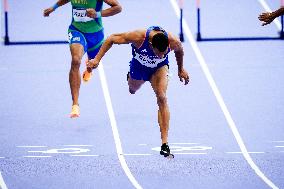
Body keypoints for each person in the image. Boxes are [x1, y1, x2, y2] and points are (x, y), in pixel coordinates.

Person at [86, 26, 190, 158]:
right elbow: (112, 38)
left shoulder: (173, 41)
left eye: (164, 53)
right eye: (159, 53)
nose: (161, 55)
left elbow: (179, 50)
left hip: (159, 68)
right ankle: (131, 79)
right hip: (138, 67)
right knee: (132, 89)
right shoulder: (138, 37)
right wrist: (96, 59)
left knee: (162, 97)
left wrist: (180, 69)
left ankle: (164, 143)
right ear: (151, 44)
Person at [43, 0, 122, 118]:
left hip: (96, 35)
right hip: (76, 31)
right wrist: (53, 7)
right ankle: (75, 104)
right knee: (75, 60)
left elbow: (118, 7)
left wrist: (97, 14)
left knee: (93, 64)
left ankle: (89, 70)